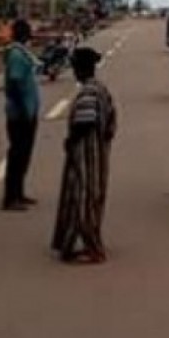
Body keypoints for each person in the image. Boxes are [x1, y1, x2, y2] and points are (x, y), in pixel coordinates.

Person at [52, 47, 117, 264]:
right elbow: (111, 124)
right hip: (99, 153)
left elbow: (85, 121)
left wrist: (71, 141)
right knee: (82, 198)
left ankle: (93, 248)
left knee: (83, 199)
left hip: (87, 156)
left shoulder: (88, 91)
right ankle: (70, 244)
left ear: (81, 68)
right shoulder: (101, 89)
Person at [2, 19, 41, 211]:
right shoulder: (17, 55)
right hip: (20, 115)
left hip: (27, 111)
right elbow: (16, 84)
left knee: (24, 155)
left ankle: (19, 193)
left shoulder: (21, 52)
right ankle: (10, 198)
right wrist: (25, 111)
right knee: (17, 155)